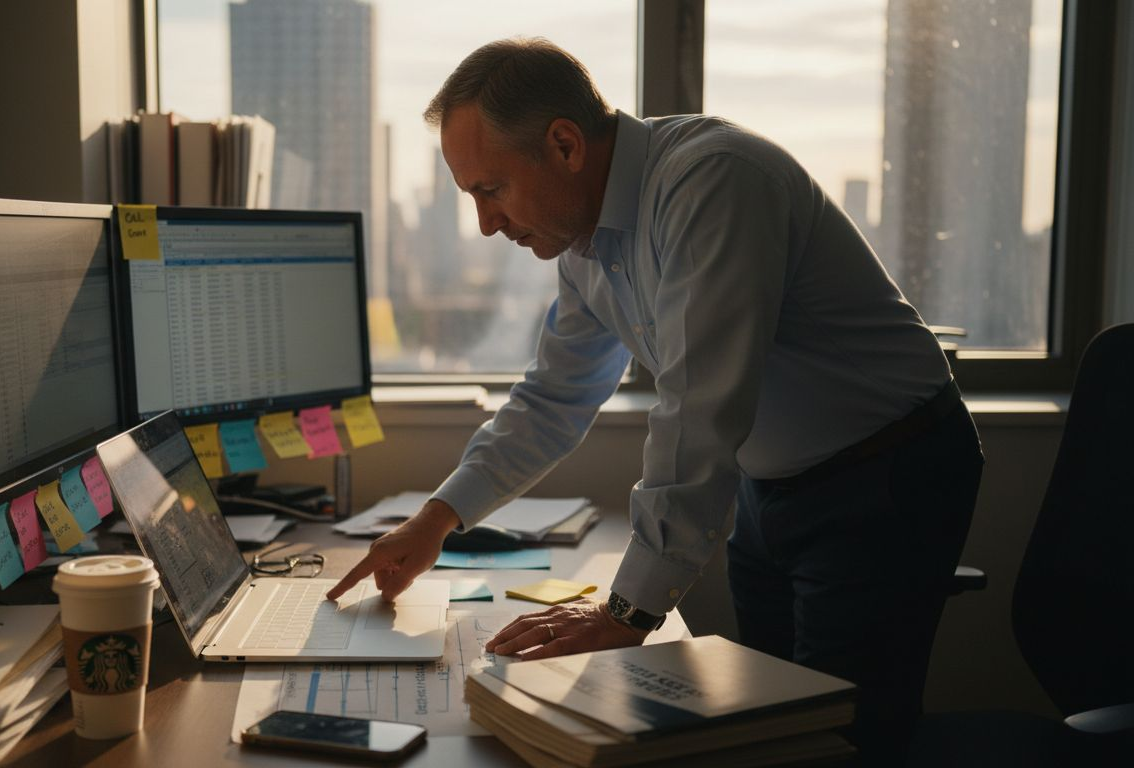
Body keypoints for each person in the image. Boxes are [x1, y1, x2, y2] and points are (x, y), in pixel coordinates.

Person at [327, 37, 982, 761]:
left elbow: (699, 409)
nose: (486, 223)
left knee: (841, 739)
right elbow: (554, 396)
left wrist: (625, 613)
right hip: (771, 481)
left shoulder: (713, 183)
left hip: (885, 469)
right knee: (773, 730)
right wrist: (435, 521)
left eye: (491, 189)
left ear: (566, 145)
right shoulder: (581, 240)